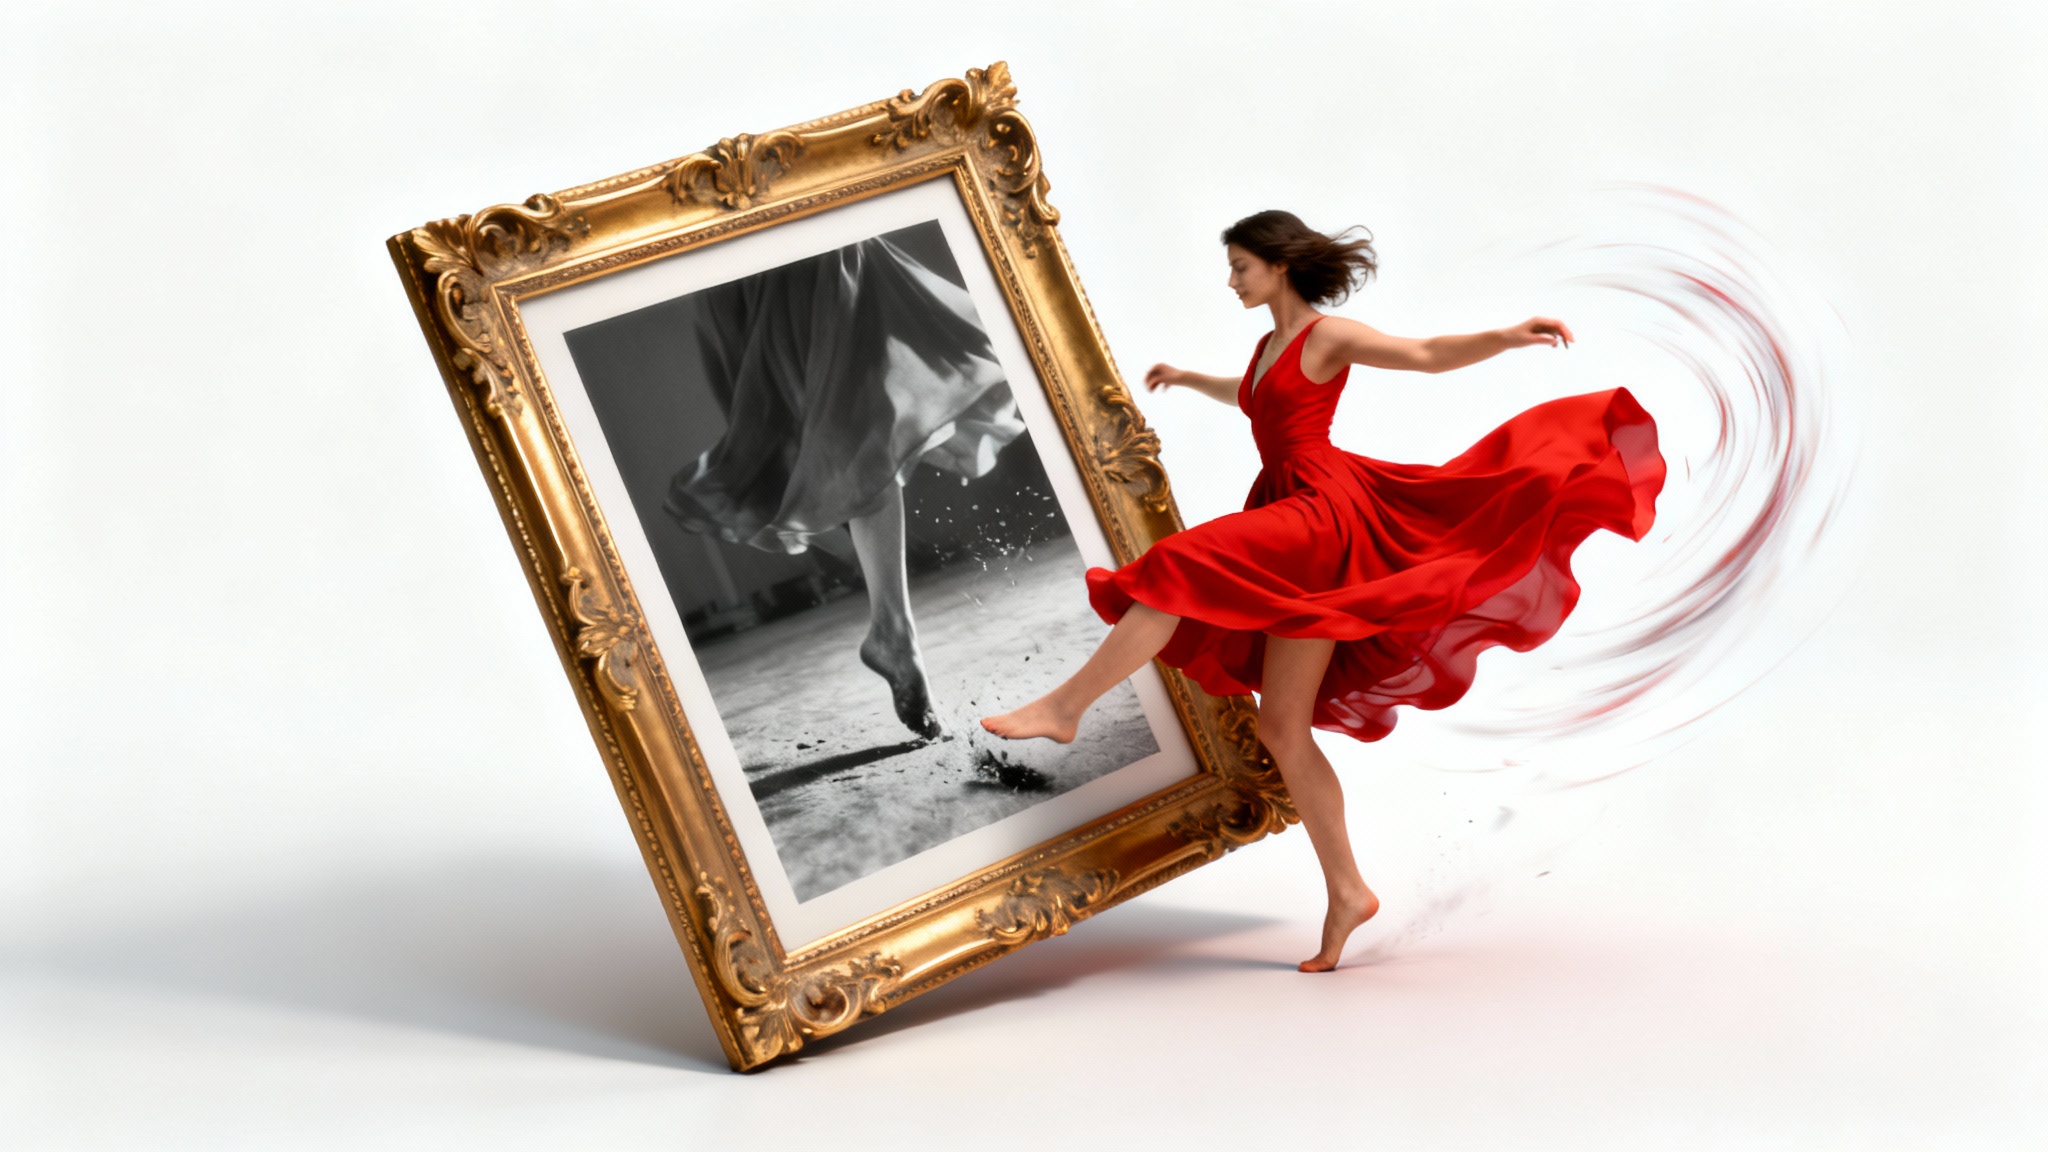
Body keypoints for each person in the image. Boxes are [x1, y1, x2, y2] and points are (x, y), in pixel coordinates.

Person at [981, 210, 1665, 972]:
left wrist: (1505, 335)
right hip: (1287, 509)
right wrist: (1184, 379)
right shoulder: (1266, 346)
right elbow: (1254, 398)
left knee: (1175, 568)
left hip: (1320, 514)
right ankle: (1348, 890)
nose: (1231, 280)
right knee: (1281, 730)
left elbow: (1425, 353)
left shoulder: (1326, 336)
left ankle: (1065, 707)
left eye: (1241, 265)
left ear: (1279, 266)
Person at [667, 231, 1026, 739]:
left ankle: (892, 627)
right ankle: (891, 627)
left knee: (858, 412)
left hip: (810, 239)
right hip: (754, 260)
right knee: (834, 424)